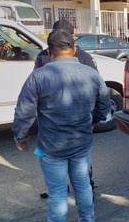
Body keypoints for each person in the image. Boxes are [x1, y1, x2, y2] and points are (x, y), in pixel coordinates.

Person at [13, 30, 111, 222]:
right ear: (74, 50)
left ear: (49, 52)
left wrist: (21, 136)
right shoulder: (92, 74)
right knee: (83, 185)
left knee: (57, 193)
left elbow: (24, 111)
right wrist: (93, 121)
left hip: (52, 147)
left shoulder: (39, 76)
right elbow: (104, 105)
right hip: (81, 143)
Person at [35, 20, 97, 199]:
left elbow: (95, 90)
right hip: (53, 124)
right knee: (58, 163)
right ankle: (61, 188)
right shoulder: (43, 56)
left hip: (77, 123)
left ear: (73, 37)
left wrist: (92, 119)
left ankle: (86, 187)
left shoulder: (85, 58)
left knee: (81, 164)